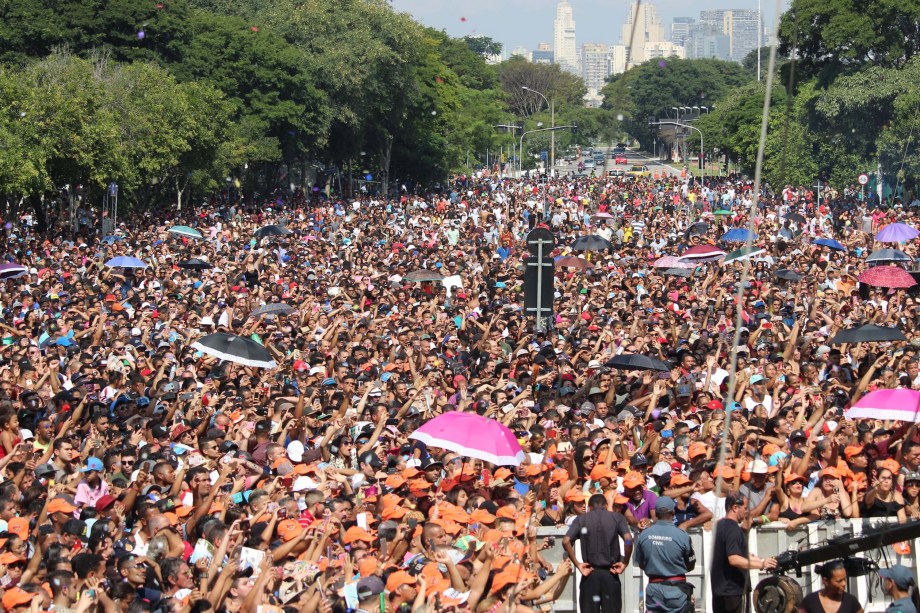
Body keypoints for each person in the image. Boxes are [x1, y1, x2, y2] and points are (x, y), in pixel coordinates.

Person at [564, 493, 633, 613]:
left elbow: (566, 541)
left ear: (589, 507)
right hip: (610, 574)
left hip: (590, 574)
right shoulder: (617, 517)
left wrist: (578, 564)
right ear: (606, 506)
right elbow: (628, 540)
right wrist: (625, 562)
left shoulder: (582, 518)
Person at [711, 493, 777, 613]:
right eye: (745, 508)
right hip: (732, 592)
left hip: (720, 591)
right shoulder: (733, 529)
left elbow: (736, 554)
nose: (747, 512)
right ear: (735, 508)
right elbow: (734, 559)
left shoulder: (720, 525)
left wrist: (761, 560)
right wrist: (762, 565)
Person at [634, 496, 696, 613]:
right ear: (673, 512)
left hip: (654, 591)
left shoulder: (644, 535)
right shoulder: (682, 536)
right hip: (676, 591)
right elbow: (691, 565)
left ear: (656, 514)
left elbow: (641, 563)